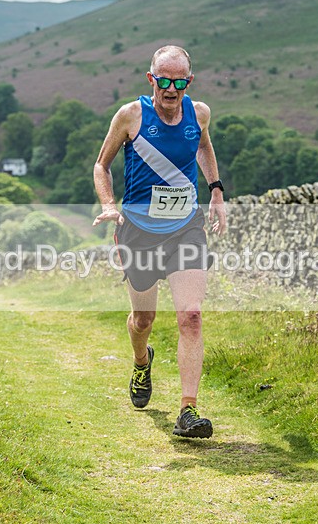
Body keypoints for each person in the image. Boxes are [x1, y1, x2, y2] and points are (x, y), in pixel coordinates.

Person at [93, 45, 226, 439]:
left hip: (185, 227)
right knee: (144, 320)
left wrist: (216, 189)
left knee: (191, 316)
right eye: (163, 80)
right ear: (151, 79)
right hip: (138, 230)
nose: (171, 89)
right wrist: (109, 205)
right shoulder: (131, 115)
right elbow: (102, 164)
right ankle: (140, 361)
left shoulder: (198, 113)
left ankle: (188, 411)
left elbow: (202, 144)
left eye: (179, 81)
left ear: (189, 81)